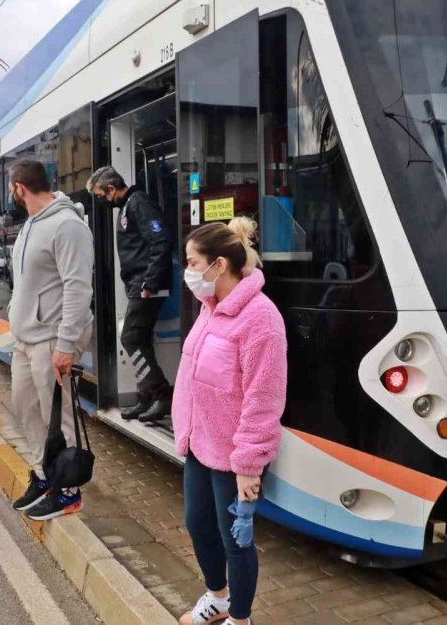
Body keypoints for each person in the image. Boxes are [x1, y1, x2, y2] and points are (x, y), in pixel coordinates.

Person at [172, 218, 287, 625]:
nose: (187, 271)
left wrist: (248, 466)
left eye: (192, 262)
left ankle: (240, 619)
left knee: (236, 541)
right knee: (197, 524)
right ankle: (218, 599)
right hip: (201, 443)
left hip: (236, 455)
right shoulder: (210, 309)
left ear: (218, 265)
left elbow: (263, 398)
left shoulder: (261, 319)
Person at [6, 159, 95, 521]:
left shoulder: (67, 226)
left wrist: (65, 344)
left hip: (52, 338)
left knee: (58, 415)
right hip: (25, 338)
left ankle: (68, 490)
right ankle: (45, 474)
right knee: (26, 407)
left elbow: (78, 287)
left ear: (18, 188)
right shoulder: (31, 224)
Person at [87, 166, 174, 422]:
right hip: (139, 285)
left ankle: (161, 394)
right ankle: (146, 396)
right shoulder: (128, 206)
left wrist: (150, 282)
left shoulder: (138, 204)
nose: (101, 201)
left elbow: (160, 241)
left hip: (147, 286)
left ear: (111, 189)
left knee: (131, 339)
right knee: (140, 340)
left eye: (100, 195)